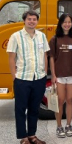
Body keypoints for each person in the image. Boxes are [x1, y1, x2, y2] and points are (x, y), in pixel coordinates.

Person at [7, 10, 50, 144]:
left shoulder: (42, 36)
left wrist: (45, 73)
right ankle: (23, 137)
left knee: (34, 108)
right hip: (22, 79)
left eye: (34, 19)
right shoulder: (16, 36)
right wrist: (15, 77)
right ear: (24, 20)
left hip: (39, 78)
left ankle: (32, 135)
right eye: (29, 19)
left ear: (37, 21)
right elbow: (11, 58)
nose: (32, 21)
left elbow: (45, 56)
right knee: (20, 109)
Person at [48, 14, 72, 138]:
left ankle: (68, 125)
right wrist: (53, 75)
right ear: (60, 23)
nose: (67, 24)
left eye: (69, 22)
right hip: (59, 76)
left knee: (70, 100)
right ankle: (59, 126)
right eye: (65, 22)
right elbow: (51, 58)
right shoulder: (54, 39)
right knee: (60, 101)